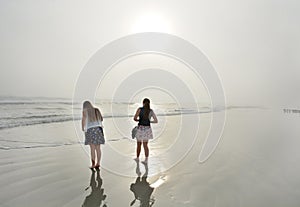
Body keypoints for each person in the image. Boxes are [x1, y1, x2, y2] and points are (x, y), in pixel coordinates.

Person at [82, 100, 105, 170]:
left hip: (90, 130)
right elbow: (101, 119)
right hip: (99, 129)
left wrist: (83, 128)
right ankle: (98, 163)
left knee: (92, 148)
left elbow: (83, 119)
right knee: (98, 148)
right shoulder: (97, 110)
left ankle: (93, 164)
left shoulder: (85, 111)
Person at [133, 98, 158, 162]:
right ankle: (146, 160)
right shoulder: (151, 111)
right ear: (149, 103)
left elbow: (135, 118)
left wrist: (139, 120)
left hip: (140, 128)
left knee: (139, 144)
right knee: (145, 145)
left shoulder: (139, 109)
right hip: (147, 129)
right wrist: (149, 121)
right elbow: (156, 121)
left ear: (143, 103)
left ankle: (137, 158)